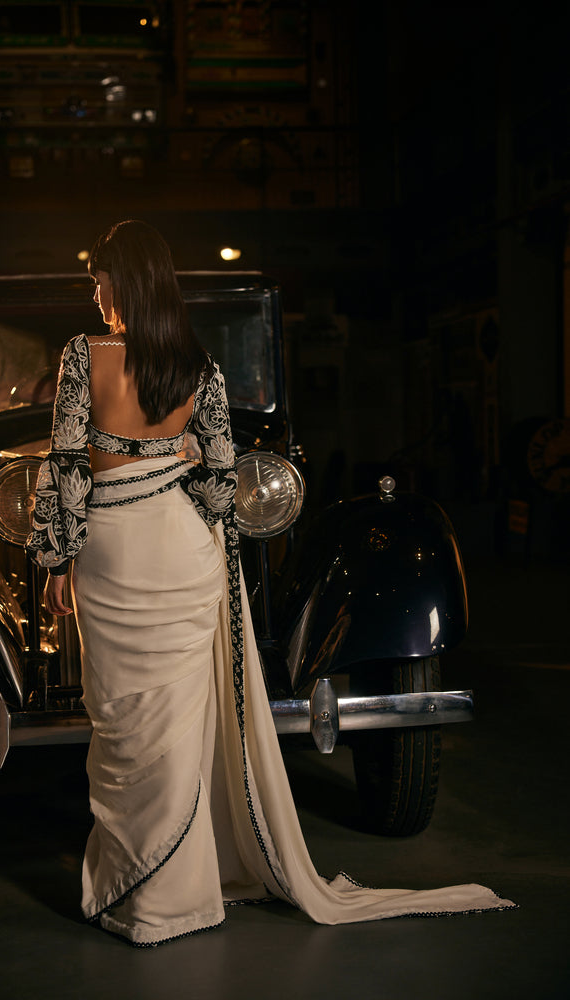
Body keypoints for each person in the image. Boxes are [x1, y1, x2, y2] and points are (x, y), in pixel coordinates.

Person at [26, 220, 515, 947]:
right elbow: (222, 491)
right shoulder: (201, 366)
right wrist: (174, 459)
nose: (95, 294)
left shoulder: (80, 356)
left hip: (113, 555)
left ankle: (145, 898)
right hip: (184, 556)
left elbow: (68, 463)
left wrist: (57, 559)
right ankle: (180, 899)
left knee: (125, 728)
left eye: (99, 279)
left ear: (121, 282)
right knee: (177, 733)